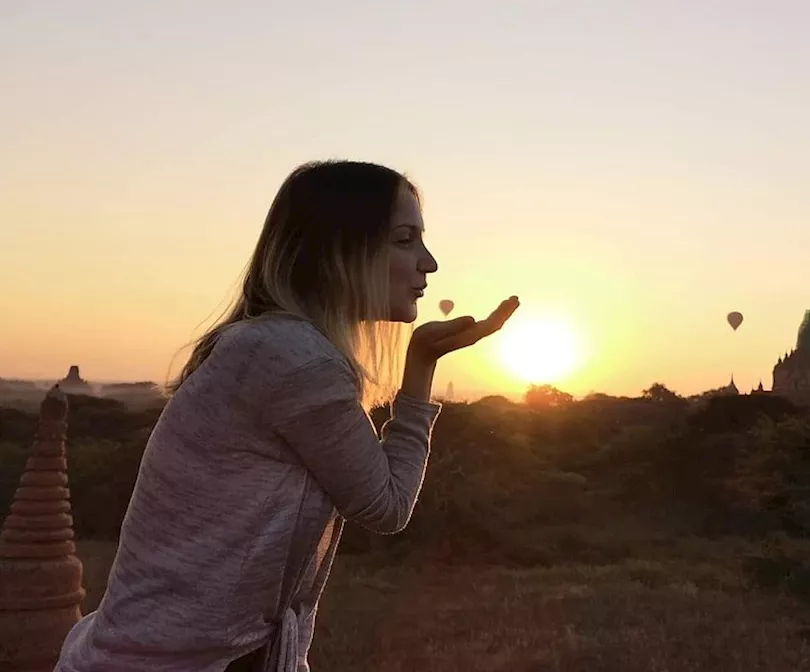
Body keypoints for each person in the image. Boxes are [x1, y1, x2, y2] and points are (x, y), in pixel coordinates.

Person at [55, 160, 519, 671]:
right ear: (339, 251)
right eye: (405, 240)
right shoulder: (294, 358)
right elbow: (387, 505)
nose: (428, 263)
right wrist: (421, 371)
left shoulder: (271, 345)